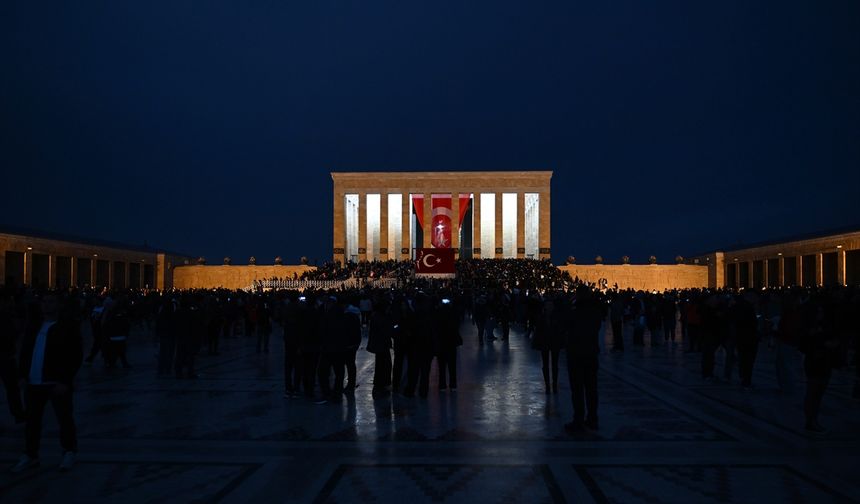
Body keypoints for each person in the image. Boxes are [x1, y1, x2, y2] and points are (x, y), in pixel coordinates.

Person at [11, 292, 83, 473]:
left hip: (56, 383)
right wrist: (22, 375)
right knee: (32, 421)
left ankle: (69, 451)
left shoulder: (68, 327)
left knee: (64, 419)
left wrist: (65, 381)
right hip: (33, 383)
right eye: (44, 302)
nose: (47, 305)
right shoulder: (34, 326)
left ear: (59, 305)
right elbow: (25, 351)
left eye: (51, 302)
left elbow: (75, 356)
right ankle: (30, 454)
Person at [565, 287, 604, 433]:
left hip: (575, 354)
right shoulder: (595, 312)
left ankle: (578, 419)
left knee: (577, 390)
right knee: (591, 389)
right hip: (591, 353)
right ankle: (593, 419)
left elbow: (567, 326)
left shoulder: (574, 312)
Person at [0, 292, 25, 423]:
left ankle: (18, 413)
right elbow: (13, 333)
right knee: (12, 388)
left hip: (6, 355)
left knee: (12, 388)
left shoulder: (7, 315)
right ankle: (18, 413)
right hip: (6, 356)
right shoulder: (6, 316)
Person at [532, 297, 565, 394]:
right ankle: (547, 384)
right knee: (546, 364)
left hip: (554, 341)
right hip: (545, 342)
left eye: (551, 305)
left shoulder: (556, 317)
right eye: (548, 305)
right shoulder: (542, 317)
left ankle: (554, 384)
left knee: (554, 364)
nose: (549, 307)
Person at [367, 299, 394, 396]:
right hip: (381, 344)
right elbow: (386, 329)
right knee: (384, 364)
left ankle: (380, 383)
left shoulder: (376, 316)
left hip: (379, 344)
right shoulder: (381, 317)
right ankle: (381, 384)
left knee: (381, 364)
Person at [435, 294, 461, 391]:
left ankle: (442, 385)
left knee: (442, 366)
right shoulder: (453, 313)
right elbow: (457, 325)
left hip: (441, 343)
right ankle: (453, 384)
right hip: (451, 342)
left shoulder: (438, 313)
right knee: (452, 365)